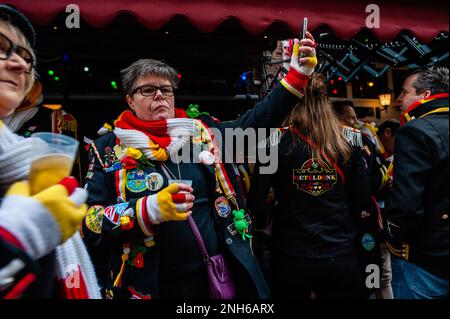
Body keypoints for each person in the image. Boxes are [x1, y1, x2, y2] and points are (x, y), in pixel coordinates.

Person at [81, 32, 317, 299]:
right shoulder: (107, 149)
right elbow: (89, 222)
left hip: (212, 280)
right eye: (148, 90)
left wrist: (296, 76)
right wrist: (146, 210)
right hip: (149, 286)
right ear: (130, 100)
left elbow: (254, 123)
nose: (159, 95)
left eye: (166, 89)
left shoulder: (201, 133)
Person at [0, 4, 96, 299]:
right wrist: (16, 235)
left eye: (25, 56)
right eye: (2, 48)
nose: (19, 64)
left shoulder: (30, 145)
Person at [248, 74, 371, 299]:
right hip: (340, 252)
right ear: (325, 102)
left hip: (290, 253)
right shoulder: (350, 141)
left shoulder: (273, 142)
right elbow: (362, 199)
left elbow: (255, 204)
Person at [385, 66, 449, 299]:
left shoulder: (415, 130)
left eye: (405, 92)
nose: (399, 100)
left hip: (426, 260)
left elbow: (406, 206)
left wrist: (393, 235)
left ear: (426, 95)